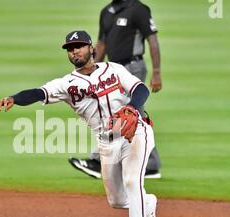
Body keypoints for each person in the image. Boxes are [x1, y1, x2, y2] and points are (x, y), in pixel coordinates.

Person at [0, 30, 158, 217]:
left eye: (79, 46)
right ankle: (148, 202)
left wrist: (132, 107)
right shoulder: (67, 84)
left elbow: (140, 88)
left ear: (92, 48)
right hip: (106, 143)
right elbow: (39, 92)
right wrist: (14, 98)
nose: (75, 52)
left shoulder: (113, 69)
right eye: (70, 49)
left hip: (135, 134)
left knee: (132, 182)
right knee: (118, 200)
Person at [68, 0, 163, 180]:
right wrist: (92, 71)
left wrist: (156, 72)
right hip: (112, 71)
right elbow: (102, 44)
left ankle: (97, 161)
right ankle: (151, 164)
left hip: (133, 67)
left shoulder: (138, 9)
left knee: (115, 112)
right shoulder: (106, 12)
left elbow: (153, 40)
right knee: (134, 116)